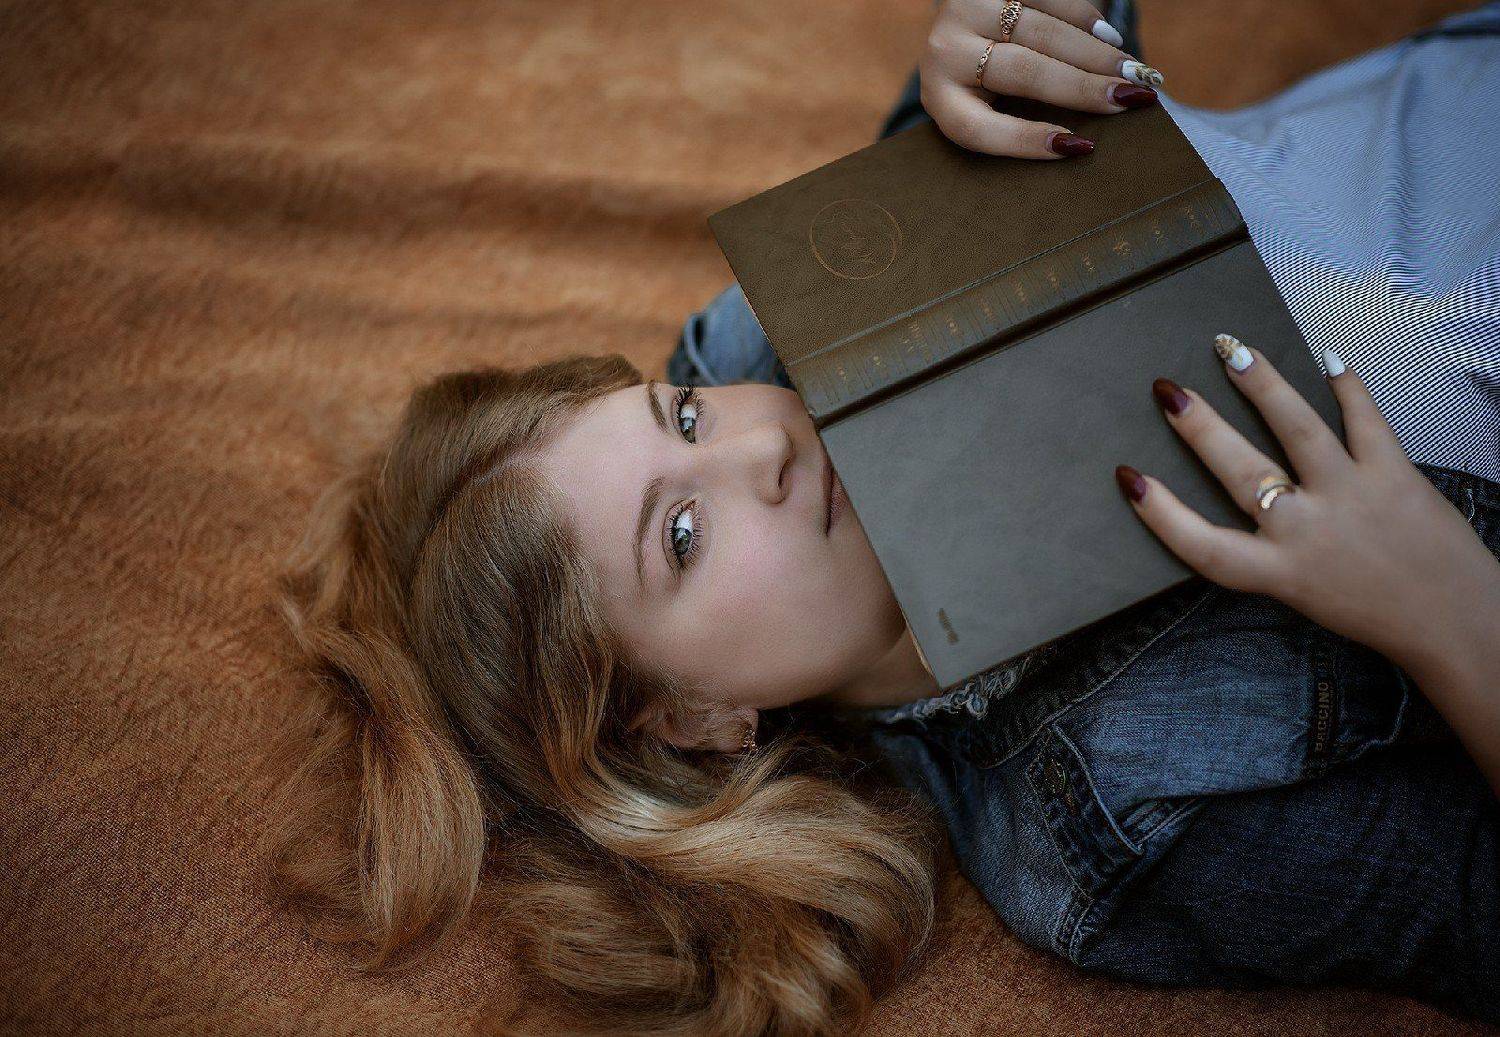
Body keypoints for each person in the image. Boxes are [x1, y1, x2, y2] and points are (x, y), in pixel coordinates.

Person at [264, 2, 1500, 1035]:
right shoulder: (1117, 817)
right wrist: (1445, 605)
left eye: (682, 414)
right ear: (693, 721)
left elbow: (1059, 87)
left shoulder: (766, 330)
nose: (764, 441)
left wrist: (1008, 34)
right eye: (680, 537)